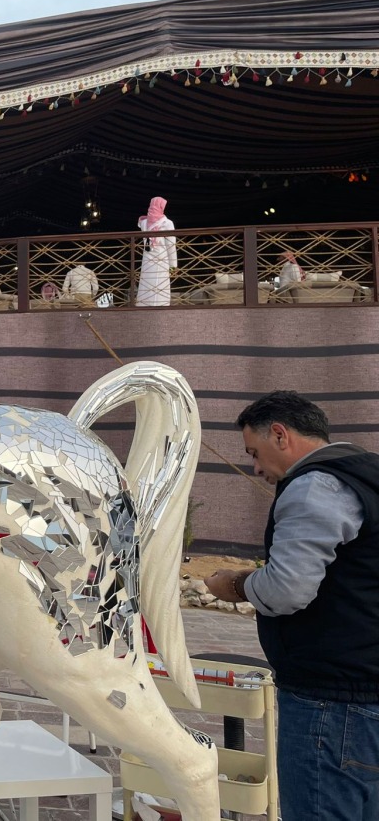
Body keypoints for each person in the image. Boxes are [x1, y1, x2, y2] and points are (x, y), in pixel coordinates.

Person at [205, 391, 379, 820]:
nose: (257, 468)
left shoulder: (315, 487)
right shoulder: (368, 473)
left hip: (333, 702)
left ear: (280, 434)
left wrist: (237, 584)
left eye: (255, 453)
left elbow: (286, 590)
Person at [135, 196, 177, 306]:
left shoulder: (144, 223)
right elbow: (171, 245)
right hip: (161, 259)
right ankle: (159, 305)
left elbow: (141, 221)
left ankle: (144, 304)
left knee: (147, 282)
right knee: (160, 283)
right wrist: (173, 265)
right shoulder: (167, 223)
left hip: (147, 259)